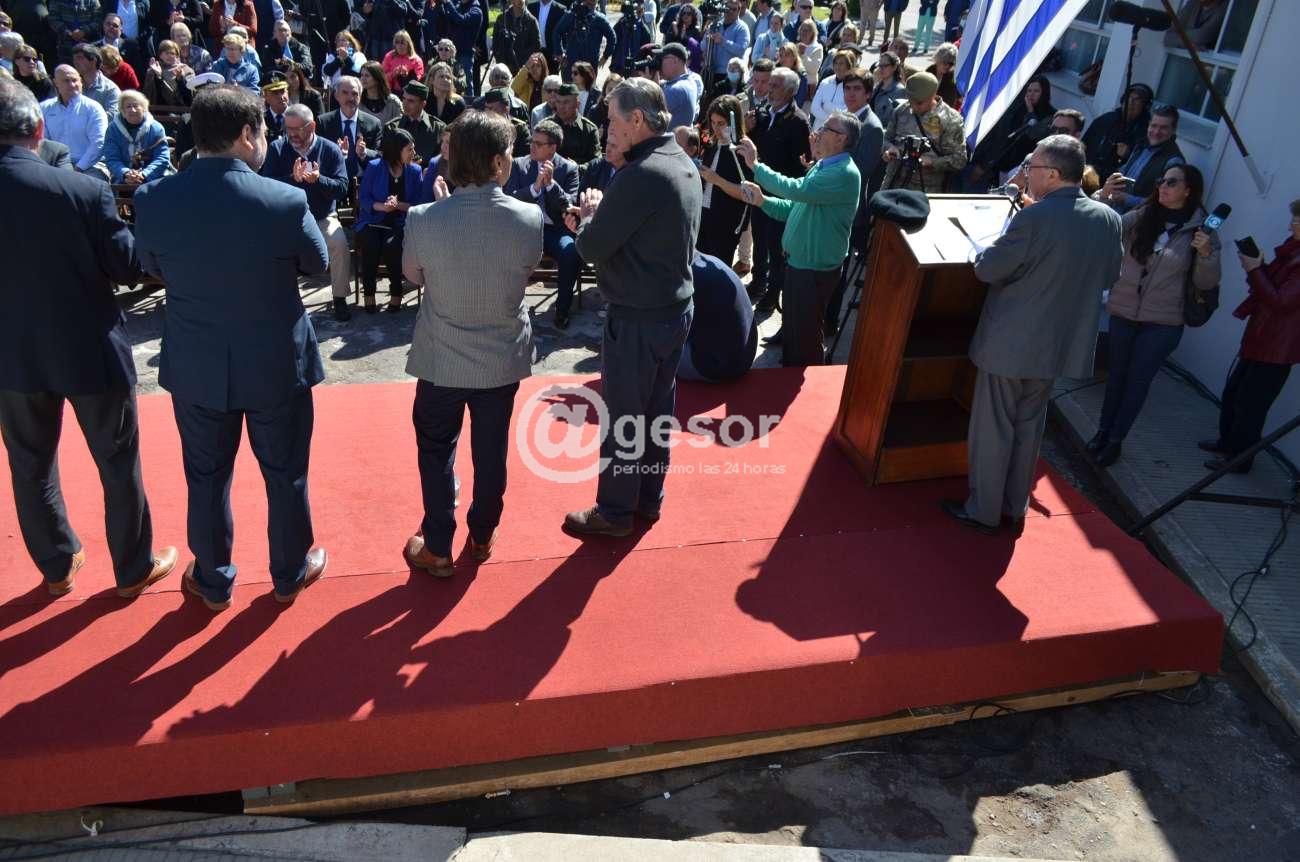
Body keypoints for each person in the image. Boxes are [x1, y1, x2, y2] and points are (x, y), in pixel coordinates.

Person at [132, 85, 329, 609]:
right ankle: (289, 573)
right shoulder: (284, 199)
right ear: (247, 134)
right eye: (262, 131)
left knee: (206, 478)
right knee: (285, 474)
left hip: (197, 365)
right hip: (275, 366)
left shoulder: (154, 198)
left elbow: (150, 265)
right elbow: (317, 263)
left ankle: (213, 580)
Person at [0, 78, 178, 599]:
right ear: (39, 129)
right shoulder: (81, 190)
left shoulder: (77, 189)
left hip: (12, 356)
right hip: (89, 349)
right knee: (117, 462)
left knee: (29, 464)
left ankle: (56, 565)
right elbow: (127, 266)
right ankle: (132, 567)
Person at [941, 135, 1123, 536]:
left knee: (994, 428)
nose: (1027, 175)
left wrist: (990, 252)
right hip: (1058, 344)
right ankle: (1014, 506)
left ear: (1053, 174)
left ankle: (984, 510)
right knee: (1029, 428)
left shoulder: (1034, 217)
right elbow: (1110, 276)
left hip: (1010, 341)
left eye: (1032, 168)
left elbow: (988, 269)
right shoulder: (1108, 218)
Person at [399, 110, 541, 574]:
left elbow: (412, 275)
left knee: (436, 450)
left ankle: (438, 544)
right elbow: (526, 269)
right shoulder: (528, 217)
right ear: (498, 162)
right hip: (500, 359)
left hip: (441, 358)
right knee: (491, 450)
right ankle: (482, 534)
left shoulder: (423, 218)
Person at [560, 78, 700, 538]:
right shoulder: (678, 157)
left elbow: (590, 248)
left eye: (611, 119)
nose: (606, 129)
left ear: (637, 119)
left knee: (625, 419)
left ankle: (615, 512)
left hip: (639, 318)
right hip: (674, 309)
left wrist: (590, 216)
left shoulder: (640, 175)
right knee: (656, 413)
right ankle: (647, 499)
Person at [1086, 163, 1220, 468]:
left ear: (1188, 190)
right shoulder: (1143, 215)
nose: (1163, 186)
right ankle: (1103, 431)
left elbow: (1206, 283)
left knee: (1137, 382)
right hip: (1124, 312)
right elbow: (1104, 229)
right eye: (1162, 180)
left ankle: (1116, 440)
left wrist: (1206, 255)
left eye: (1172, 182)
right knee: (1116, 377)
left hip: (1163, 323)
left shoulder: (1202, 231)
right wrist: (1102, 198)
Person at [737, 110, 860, 365]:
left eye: (826, 128)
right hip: (799, 264)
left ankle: (807, 381)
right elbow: (795, 207)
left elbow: (795, 190)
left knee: (806, 337)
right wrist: (762, 201)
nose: (819, 132)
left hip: (813, 269)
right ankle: (791, 371)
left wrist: (756, 165)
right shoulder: (825, 166)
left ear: (842, 138)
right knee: (795, 329)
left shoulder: (843, 173)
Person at [1201, 201, 1300, 473]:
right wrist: (1257, 268)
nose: (1291, 225)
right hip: (1261, 339)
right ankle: (1227, 444)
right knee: (1234, 394)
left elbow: (1280, 301)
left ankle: (1239, 459)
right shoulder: (1291, 251)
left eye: (1297, 222)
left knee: (1251, 405)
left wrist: (1255, 269)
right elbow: (1269, 290)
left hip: (1277, 348)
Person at [260, 103, 352, 321]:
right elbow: (265, 185)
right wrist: (293, 179)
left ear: (311, 127)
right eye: (288, 129)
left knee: (339, 243)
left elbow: (342, 188)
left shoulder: (330, 149)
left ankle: (339, 298)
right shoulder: (277, 148)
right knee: (270, 247)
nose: (292, 134)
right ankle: (281, 300)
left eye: (297, 129)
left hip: (322, 216)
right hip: (287, 218)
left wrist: (318, 180)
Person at [503, 118, 580, 328]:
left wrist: (551, 185)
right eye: (532, 142)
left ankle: (562, 311)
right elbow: (509, 198)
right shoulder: (519, 164)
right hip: (525, 228)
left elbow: (570, 205)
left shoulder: (568, 168)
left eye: (538, 144)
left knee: (570, 252)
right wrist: (535, 188)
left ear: (552, 148)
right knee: (505, 249)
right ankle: (507, 308)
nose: (532, 146)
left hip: (555, 230)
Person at [745, 66, 808, 312]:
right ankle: (758, 282)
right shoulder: (762, 113)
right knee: (759, 240)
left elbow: (801, 165)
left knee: (776, 247)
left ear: (791, 92)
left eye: (775, 86)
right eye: (769, 85)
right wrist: (748, 128)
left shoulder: (798, 122)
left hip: (780, 195)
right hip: (759, 190)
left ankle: (772, 294)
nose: (769, 90)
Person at [356, 127, 422, 311]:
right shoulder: (375, 167)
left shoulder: (415, 171)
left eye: (413, 149)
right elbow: (364, 198)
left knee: (392, 246)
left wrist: (398, 205)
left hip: (400, 223)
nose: (413, 153)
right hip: (373, 220)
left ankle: (396, 292)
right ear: (396, 151)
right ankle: (369, 293)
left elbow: (419, 204)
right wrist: (383, 207)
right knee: (370, 245)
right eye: (409, 149)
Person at [881, 70, 966, 194]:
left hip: (926, 190)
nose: (913, 107)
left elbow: (959, 160)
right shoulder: (901, 111)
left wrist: (932, 162)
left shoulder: (950, 120)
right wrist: (889, 149)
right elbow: (886, 139)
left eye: (919, 103)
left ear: (933, 95)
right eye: (911, 101)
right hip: (894, 184)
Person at [678, 252, 757, 381]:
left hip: (719, 367)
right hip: (746, 358)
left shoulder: (686, 275)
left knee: (652, 348)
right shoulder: (710, 261)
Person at [966, 74, 1054, 191]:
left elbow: (1033, 133)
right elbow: (999, 136)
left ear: (1044, 93)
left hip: (1022, 171)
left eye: (1036, 91)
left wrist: (1030, 112)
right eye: (1029, 91)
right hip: (997, 166)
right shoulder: (1016, 109)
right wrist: (982, 164)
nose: (1031, 94)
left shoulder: (1050, 116)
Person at [694, 95, 752, 266]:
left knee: (717, 269)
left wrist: (717, 180)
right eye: (713, 122)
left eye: (721, 123)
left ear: (733, 122)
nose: (716, 128)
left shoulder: (743, 150)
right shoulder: (711, 144)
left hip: (726, 223)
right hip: (704, 217)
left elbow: (747, 194)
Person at [1096, 104, 1185, 213]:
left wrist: (1128, 199)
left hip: (1138, 219)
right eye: (1154, 126)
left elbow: (1166, 203)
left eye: (1163, 128)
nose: (1156, 132)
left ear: (1173, 130)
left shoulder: (1174, 162)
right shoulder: (1140, 145)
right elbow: (1124, 172)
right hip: (1113, 211)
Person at [41, 64, 107, 174]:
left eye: (75, 80)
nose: (72, 84)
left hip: (91, 166)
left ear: (81, 81)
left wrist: (78, 169)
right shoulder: (44, 108)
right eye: (66, 81)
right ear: (56, 82)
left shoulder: (93, 108)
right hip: (56, 166)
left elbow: (99, 143)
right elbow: (43, 142)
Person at [318, 74, 383, 180]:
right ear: (336, 96)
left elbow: (380, 156)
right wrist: (337, 154)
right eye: (345, 93)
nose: (350, 98)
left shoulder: (373, 123)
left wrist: (364, 153)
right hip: (334, 180)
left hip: (364, 181)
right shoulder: (324, 122)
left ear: (360, 96)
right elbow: (319, 155)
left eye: (354, 94)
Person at [1082, 82, 1152, 181]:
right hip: (1087, 174)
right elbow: (1083, 145)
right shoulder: (1105, 120)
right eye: (1129, 97)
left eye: (1137, 100)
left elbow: (1144, 166)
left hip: (1116, 182)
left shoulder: (1147, 133)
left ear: (1145, 106)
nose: (1131, 102)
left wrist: (1128, 155)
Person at [101, 88, 170, 184]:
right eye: (128, 106)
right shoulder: (113, 129)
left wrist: (144, 175)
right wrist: (126, 173)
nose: (132, 110)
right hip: (122, 179)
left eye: (136, 106)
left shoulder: (156, 128)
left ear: (144, 108)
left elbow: (162, 157)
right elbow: (111, 158)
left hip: (152, 178)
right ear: (122, 111)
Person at [386, 79, 445, 165]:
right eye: (404, 99)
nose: (405, 104)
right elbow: (385, 159)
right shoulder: (392, 127)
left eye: (411, 101)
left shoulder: (438, 129)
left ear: (423, 104)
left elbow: (443, 161)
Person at [552, 80, 599, 166]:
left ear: (577, 104)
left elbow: (596, 162)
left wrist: (576, 167)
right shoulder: (548, 126)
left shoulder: (589, 130)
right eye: (558, 102)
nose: (561, 107)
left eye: (566, 102)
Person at [71, 43, 119, 119]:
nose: (75, 62)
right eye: (74, 59)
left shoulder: (109, 89)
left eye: (80, 58)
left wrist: (86, 120)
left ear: (93, 61)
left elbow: (113, 115)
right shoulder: (72, 86)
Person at [810, 48, 854, 131]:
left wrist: (826, 105)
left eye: (841, 64)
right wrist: (832, 114)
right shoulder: (826, 82)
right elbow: (814, 107)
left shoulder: (853, 87)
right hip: (818, 130)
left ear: (849, 66)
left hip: (838, 132)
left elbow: (845, 114)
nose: (837, 67)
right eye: (836, 63)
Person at [659, 42, 698, 130]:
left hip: (670, 138)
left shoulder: (675, 90)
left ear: (675, 60)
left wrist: (648, 85)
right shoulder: (690, 81)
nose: (660, 63)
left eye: (663, 58)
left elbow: (647, 116)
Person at [482, 86, 531, 156]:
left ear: (506, 109)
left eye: (491, 108)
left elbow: (525, 157)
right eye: (486, 108)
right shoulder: (481, 128)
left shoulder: (520, 129)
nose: (487, 112)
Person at [494, 0, 541, 73]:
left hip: (523, 67)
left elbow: (536, 45)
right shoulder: (502, 19)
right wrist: (500, 59)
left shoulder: (532, 21)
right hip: (504, 66)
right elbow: (495, 43)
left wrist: (522, 59)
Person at [260, 20, 313, 84]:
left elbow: (308, 68)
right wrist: (284, 67)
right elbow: (266, 69)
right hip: (277, 83)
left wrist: (292, 65)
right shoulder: (268, 49)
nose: (284, 33)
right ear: (274, 33)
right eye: (280, 30)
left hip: (299, 83)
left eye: (286, 30)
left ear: (290, 32)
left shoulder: (301, 48)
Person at [528, 0, 568, 73]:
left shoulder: (560, 9)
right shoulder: (531, 7)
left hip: (552, 54)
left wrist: (561, 51)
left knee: (552, 78)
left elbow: (564, 33)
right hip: (535, 52)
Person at [868, 49, 904, 129]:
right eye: (880, 65)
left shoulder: (899, 91)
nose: (881, 68)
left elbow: (892, 121)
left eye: (885, 66)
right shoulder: (877, 87)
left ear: (894, 67)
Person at [926, 41, 961, 110]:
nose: (947, 66)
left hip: (944, 112)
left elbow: (960, 96)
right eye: (945, 62)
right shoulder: (929, 72)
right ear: (938, 59)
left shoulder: (953, 77)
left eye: (951, 64)